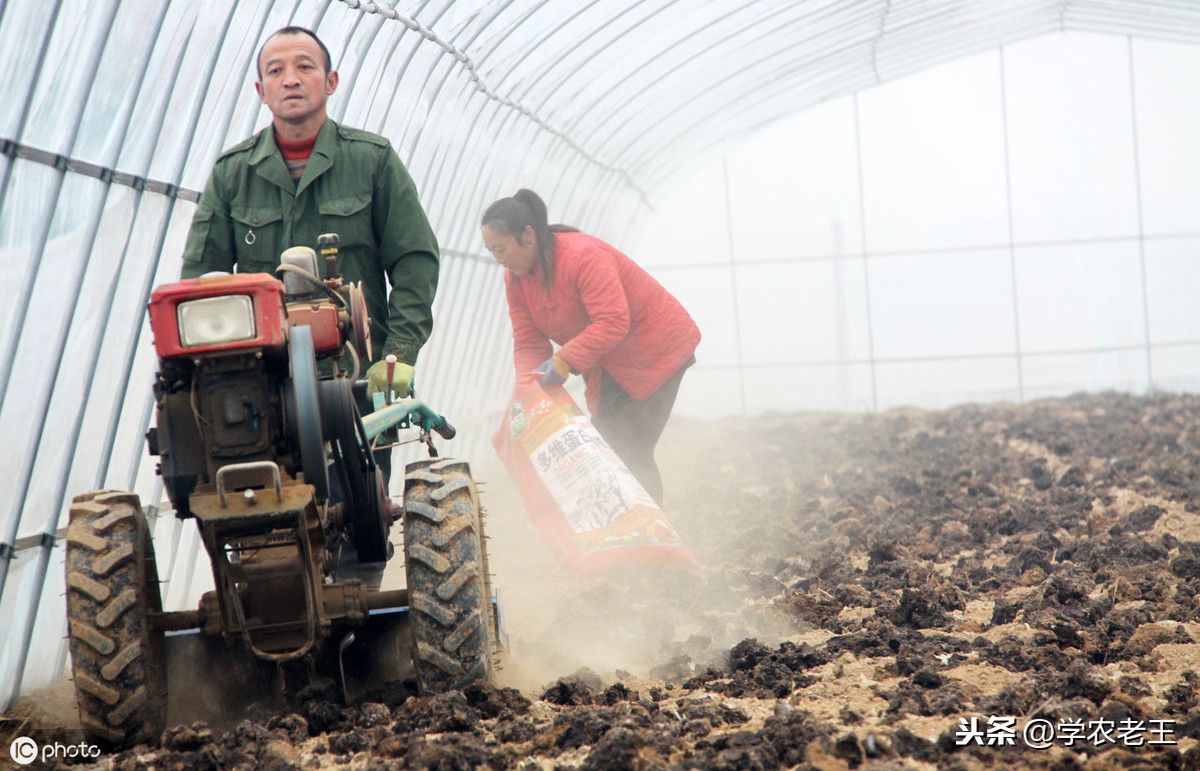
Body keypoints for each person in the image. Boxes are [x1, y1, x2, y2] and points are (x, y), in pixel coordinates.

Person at [180, 26, 438, 410]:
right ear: (261, 91)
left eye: (304, 66)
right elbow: (200, 282)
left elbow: (414, 262)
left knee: (362, 471)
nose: (291, 80)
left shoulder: (372, 160)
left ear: (331, 81)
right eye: (275, 71)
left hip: (358, 379)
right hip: (263, 386)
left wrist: (397, 355)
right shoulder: (233, 173)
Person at [481, 189, 700, 506]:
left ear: (527, 236)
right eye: (492, 252)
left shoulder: (583, 256)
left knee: (630, 450)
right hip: (609, 361)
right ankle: (628, 538)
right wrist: (527, 384)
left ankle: (651, 544)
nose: (499, 259)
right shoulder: (516, 279)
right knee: (608, 451)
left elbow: (612, 320)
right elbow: (529, 340)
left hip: (658, 350)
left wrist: (563, 362)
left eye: (501, 249)